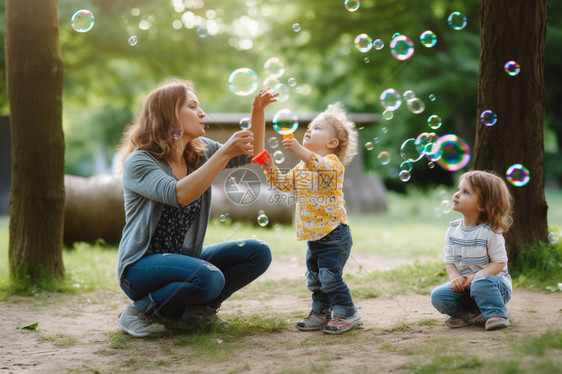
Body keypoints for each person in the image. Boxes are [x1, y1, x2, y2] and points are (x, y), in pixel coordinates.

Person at [115, 79, 277, 337]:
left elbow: (254, 153)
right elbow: (179, 194)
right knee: (210, 277)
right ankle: (140, 310)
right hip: (140, 267)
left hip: (185, 260)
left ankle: (197, 313)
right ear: (170, 115)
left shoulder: (200, 152)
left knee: (257, 253)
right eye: (192, 106)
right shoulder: (140, 161)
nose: (202, 113)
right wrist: (223, 154)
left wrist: (257, 109)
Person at [257, 102, 361, 334]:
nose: (309, 130)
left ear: (332, 143)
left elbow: (320, 165)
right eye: (310, 126)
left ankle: (347, 313)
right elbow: (283, 186)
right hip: (313, 236)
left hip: (334, 233)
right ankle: (320, 313)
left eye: (317, 128)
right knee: (315, 279)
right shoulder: (301, 166)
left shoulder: (333, 164)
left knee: (330, 277)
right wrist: (270, 167)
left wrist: (296, 148)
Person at [430, 170, 514, 331]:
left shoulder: (490, 232)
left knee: (481, 282)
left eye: (465, 192)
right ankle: (470, 312)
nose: (456, 195)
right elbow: (450, 262)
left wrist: (476, 277)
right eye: (458, 189)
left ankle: (497, 313)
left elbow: (499, 263)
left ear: (482, 205)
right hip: (467, 287)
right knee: (438, 296)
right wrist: (455, 277)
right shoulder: (453, 230)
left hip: (494, 287)